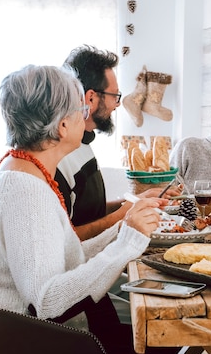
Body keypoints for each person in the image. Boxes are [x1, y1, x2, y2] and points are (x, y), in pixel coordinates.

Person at [0, 65, 190, 354]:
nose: (87, 114)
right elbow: (49, 302)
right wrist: (127, 243)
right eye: (81, 108)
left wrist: (126, 228)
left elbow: (65, 257)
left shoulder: (24, 171)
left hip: (15, 345)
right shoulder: (24, 191)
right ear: (63, 126)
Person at [56, 45, 178, 242]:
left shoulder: (83, 144)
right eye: (115, 96)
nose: (118, 104)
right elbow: (66, 240)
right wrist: (125, 215)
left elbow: (87, 212)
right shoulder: (59, 156)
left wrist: (135, 200)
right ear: (91, 98)